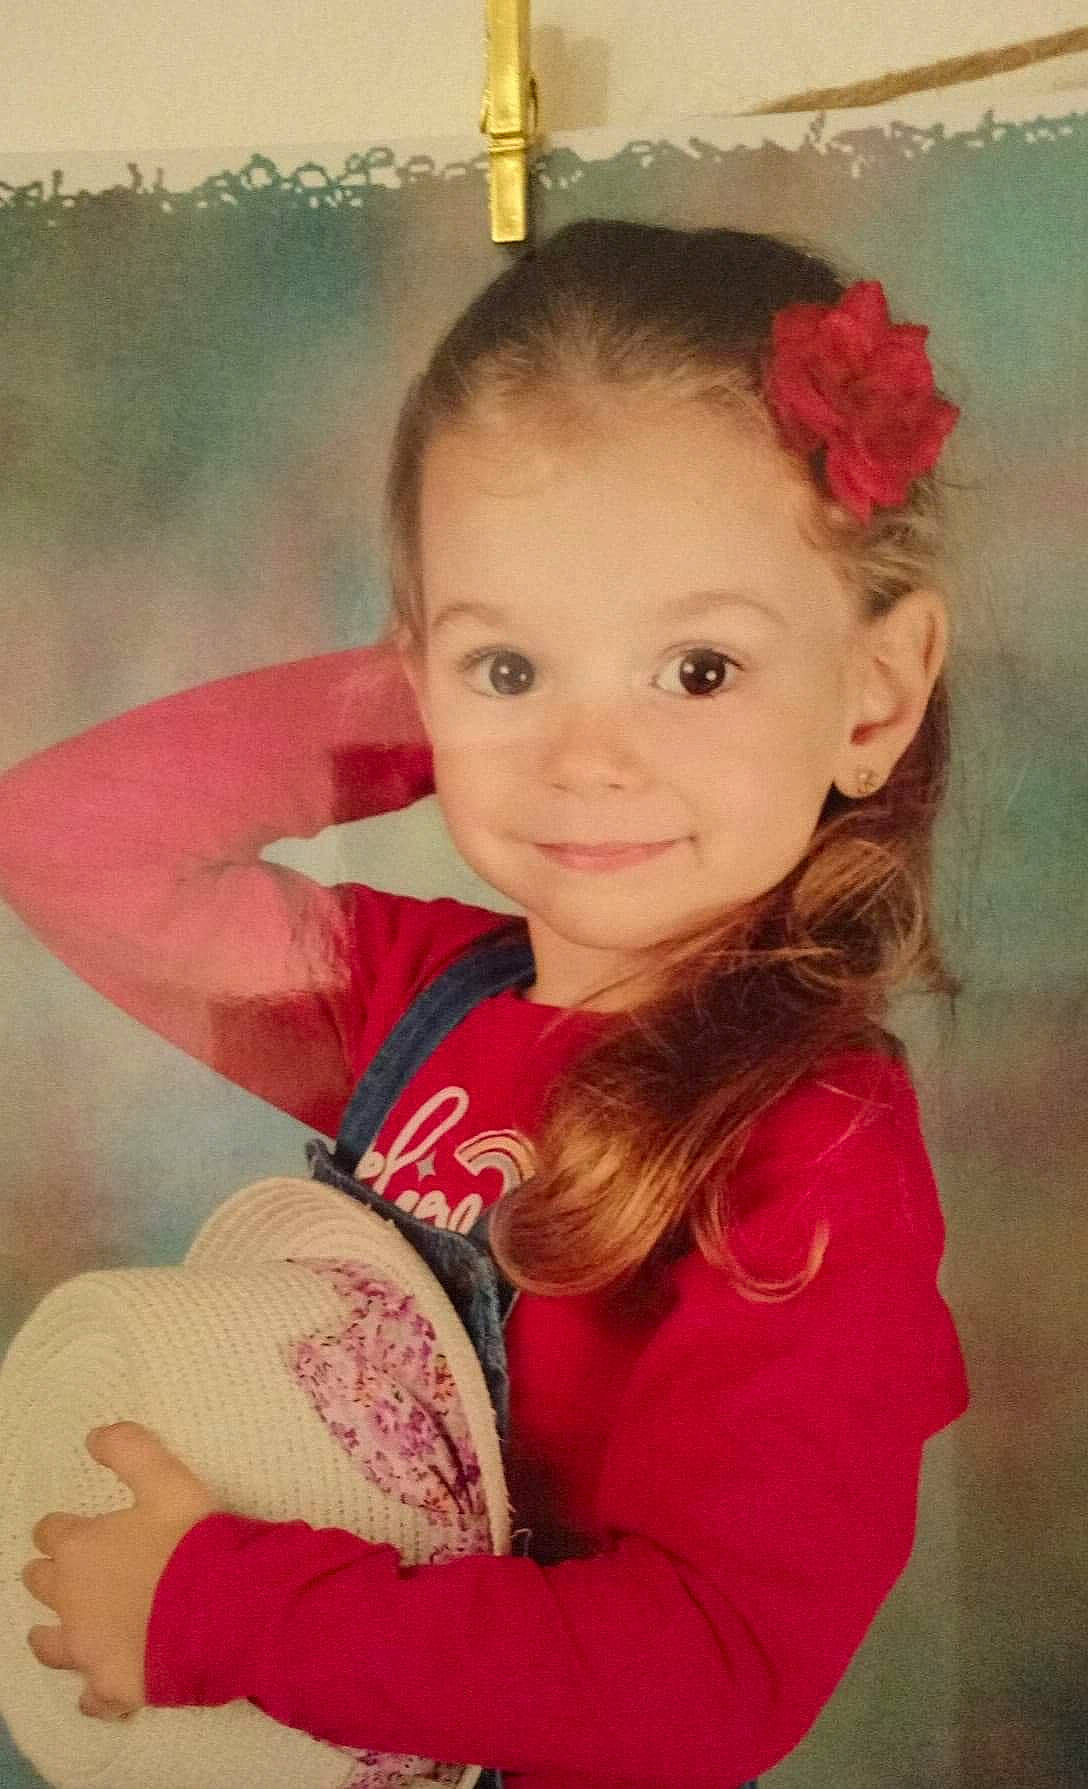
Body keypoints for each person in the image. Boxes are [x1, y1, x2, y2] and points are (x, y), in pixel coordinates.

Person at [1, 219, 969, 1789]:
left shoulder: (812, 1149)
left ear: (872, 691)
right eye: (513, 672)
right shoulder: (419, 997)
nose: (590, 757)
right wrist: (433, 695)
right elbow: (63, 842)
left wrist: (214, 1604)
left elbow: (706, 1677)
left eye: (699, 670)